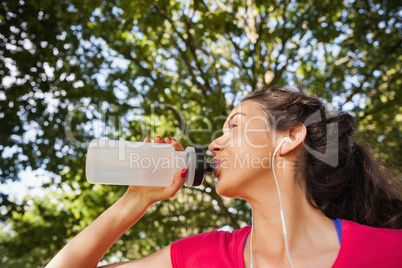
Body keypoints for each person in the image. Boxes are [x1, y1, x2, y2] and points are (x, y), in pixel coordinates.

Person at [47, 87, 402, 268]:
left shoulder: (388, 253)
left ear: (291, 137)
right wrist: (134, 200)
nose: (214, 144)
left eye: (233, 126)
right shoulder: (205, 256)